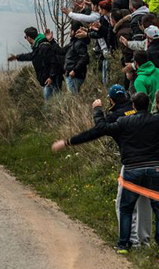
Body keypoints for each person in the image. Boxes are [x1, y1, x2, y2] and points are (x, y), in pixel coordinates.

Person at [52, 92, 159, 254]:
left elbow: (99, 129)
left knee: (125, 208)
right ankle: (146, 242)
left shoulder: (122, 120)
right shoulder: (155, 120)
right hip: (154, 168)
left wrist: (97, 110)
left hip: (131, 168)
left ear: (133, 105)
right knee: (153, 208)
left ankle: (125, 244)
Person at [7, 27, 63, 101]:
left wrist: (51, 77)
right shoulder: (38, 46)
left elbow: (54, 62)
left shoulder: (44, 47)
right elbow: (31, 56)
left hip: (51, 82)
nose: (26, 39)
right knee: (52, 104)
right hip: (47, 81)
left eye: (25, 37)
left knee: (51, 104)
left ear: (29, 37)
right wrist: (17, 57)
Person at [63, 21, 90, 93]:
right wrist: (51, 41)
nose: (69, 31)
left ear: (74, 31)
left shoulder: (79, 43)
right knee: (73, 96)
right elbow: (61, 51)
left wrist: (74, 70)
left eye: (70, 29)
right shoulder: (73, 42)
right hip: (72, 75)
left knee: (73, 96)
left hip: (74, 76)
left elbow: (85, 58)